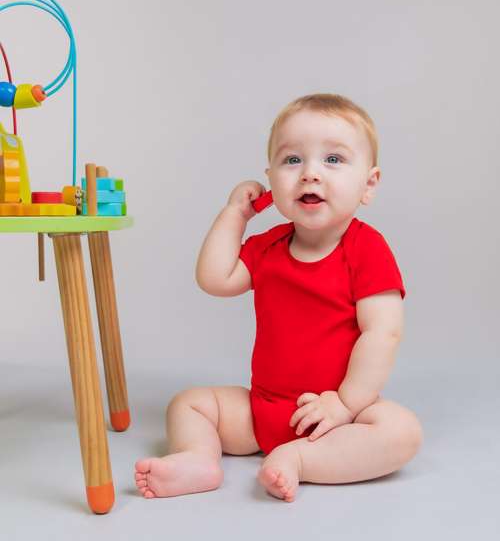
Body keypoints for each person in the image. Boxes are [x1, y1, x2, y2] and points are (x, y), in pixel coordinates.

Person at [135, 93, 423, 502]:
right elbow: (215, 278)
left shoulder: (366, 249)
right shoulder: (269, 246)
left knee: (401, 431)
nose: (309, 174)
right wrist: (235, 214)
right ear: (271, 180)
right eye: (292, 160)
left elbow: (383, 333)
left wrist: (344, 404)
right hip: (262, 412)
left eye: (333, 159)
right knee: (189, 404)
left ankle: (301, 459)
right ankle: (198, 458)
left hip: (337, 419)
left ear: (368, 184)